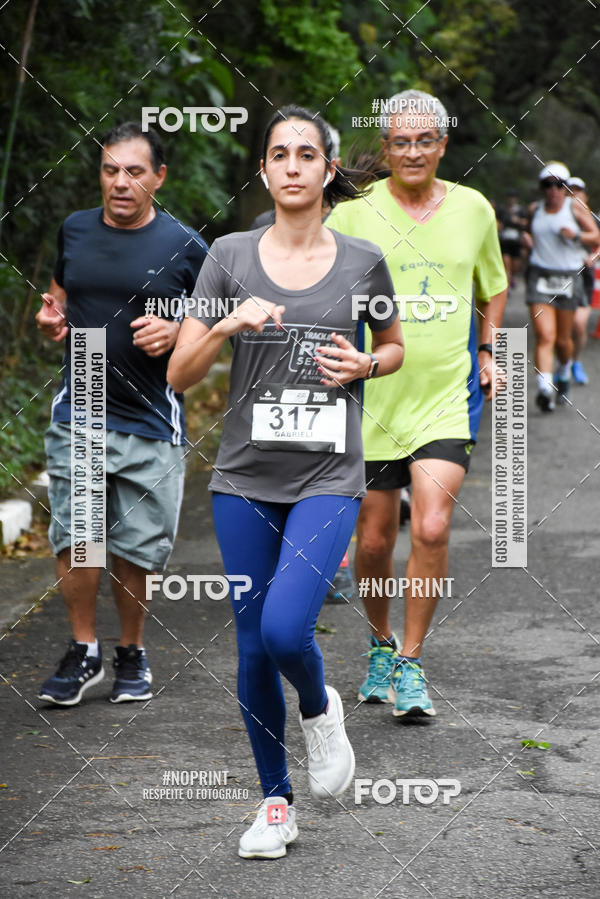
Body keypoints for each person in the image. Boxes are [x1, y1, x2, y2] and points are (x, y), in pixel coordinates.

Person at [168, 104, 404, 859]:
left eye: (307, 154)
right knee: (250, 646)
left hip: (328, 474)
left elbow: (394, 345)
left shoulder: (362, 260)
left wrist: (366, 364)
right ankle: (276, 802)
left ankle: (319, 702)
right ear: (264, 169)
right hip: (244, 478)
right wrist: (226, 325)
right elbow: (179, 372)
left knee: (283, 629)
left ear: (327, 170)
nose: (293, 165)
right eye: (280, 153)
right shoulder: (229, 255)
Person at [326, 88, 507, 717]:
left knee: (430, 526)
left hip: (446, 397)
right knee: (374, 540)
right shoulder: (352, 213)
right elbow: (314, 276)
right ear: (386, 147)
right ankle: (380, 645)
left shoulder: (473, 208)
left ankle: (411, 662)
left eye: (424, 140)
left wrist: (490, 350)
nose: (412, 152)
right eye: (400, 142)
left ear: (442, 144)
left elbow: (494, 285)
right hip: (373, 395)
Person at [35, 122, 208, 706]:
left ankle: (131, 651)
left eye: (134, 171)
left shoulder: (186, 245)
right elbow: (61, 294)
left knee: (137, 548)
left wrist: (179, 330)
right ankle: (84, 649)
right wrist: (53, 316)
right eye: (110, 170)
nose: (120, 182)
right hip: (82, 400)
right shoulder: (76, 228)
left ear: (159, 177)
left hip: (152, 412)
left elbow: (220, 324)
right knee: (79, 536)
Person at [522, 163, 599, 411]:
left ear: (566, 188)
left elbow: (596, 236)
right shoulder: (535, 210)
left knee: (563, 341)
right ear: (542, 188)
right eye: (548, 185)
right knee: (545, 335)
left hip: (568, 276)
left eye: (559, 185)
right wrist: (527, 241)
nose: (553, 190)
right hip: (540, 276)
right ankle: (545, 389)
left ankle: (564, 371)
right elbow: (530, 233)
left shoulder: (574, 208)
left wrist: (575, 236)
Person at [565, 177, 598, 385]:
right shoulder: (558, 214)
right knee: (559, 328)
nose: (574, 194)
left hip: (583, 274)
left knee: (578, 324)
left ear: (585, 195)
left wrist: (593, 257)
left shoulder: (592, 218)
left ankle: (575, 361)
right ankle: (561, 367)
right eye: (570, 190)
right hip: (559, 275)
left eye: (578, 190)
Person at [497, 188, 528, 289]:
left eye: (513, 197)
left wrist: (518, 221)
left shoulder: (520, 210)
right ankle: (507, 284)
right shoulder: (502, 210)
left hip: (516, 241)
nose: (511, 199)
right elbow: (498, 222)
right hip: (505, 240)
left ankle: (511, 277)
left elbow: (525, 223)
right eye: (510, 197)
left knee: (515, 266)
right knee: (506, 264)